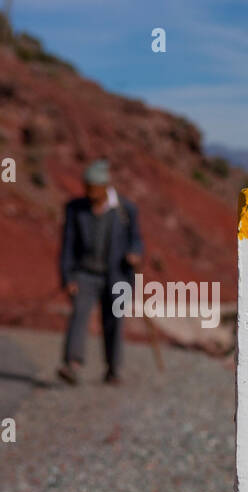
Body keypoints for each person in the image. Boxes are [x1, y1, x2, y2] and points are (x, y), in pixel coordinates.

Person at [57, 159, 143, 385]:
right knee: (79, 314)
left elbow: (136, 239)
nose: (89, 192)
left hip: (117, 276)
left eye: (93, 188)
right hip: (85, 274)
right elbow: (67, 244)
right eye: (86, 187)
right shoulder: (75, 209)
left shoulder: (126, 210)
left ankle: (113, 369)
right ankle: (72, 365)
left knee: (114, 320)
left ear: (105, 186)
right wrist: (67, 277)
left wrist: (134, 253)